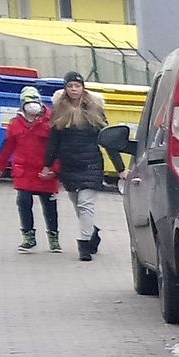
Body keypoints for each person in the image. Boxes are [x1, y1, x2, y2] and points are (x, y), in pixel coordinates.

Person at [48, 72, 110, 261]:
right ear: (65, 89)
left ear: (83, 87)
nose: (74, 89)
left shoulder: (95, 109)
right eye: (70, 86)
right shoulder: (60, 109)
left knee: (85, 203)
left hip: (90, 163)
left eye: (77, 85)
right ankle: (92, 232)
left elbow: (108, 138)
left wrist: (121, 168)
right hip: (69, 164)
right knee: (78, 205)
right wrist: (47, 164)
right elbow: (54, 140)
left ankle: (84, 244)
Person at [0, 87, 59, 252]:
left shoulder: (51, 123)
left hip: (45, 172)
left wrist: (55, 169)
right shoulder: (15, 124)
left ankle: (53, 237)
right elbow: (7, 147)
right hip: (24, 172)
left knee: (49, 206)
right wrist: (0, 165)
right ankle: (28, 237)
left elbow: (58, 148)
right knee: (24, 202)